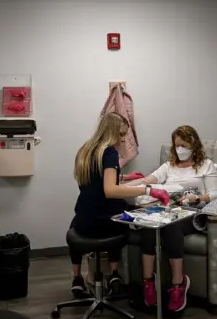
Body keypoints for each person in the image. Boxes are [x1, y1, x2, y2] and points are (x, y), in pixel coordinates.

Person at [69, 112, 171, 298]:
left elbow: (95, 179)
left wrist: (124, 177)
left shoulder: (87, 149)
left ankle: (76, 278)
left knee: (78, 220)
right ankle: (116, 274)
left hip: (83, 220)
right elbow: (110, 191)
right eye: (121, 134)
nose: (123, 140)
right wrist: (149, 191)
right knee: (130, 215)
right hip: (104, 223)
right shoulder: (109, 152)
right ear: (112, 132)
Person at [127, 125, 217, 312]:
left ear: (194, 145)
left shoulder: (205, 165)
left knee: (172, 227)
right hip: (167, 209)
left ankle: (178, 284)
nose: (180, 150)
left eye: (184, 145)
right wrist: (126, 186)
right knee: (149, 225)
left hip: (190, 212)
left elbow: (214, 194)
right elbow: (149, 179)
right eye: (176, 146)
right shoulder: (169, 166)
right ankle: (148, 282)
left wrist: (197, 198)